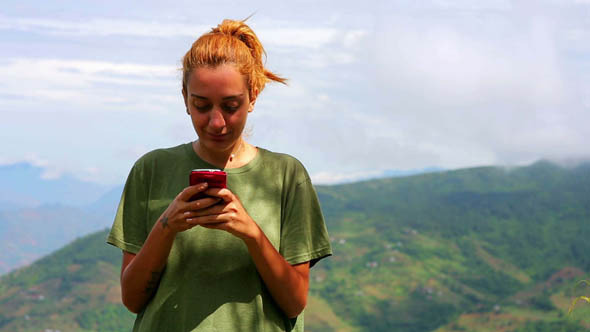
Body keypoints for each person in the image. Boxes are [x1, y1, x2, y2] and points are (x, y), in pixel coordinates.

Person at [107, 18, 332, 332]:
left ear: (252, 97)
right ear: (185, 98)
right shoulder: (151, 170)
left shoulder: (286, 176)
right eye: (201, 105)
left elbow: (295, 301)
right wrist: (167, 225)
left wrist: (251, 233)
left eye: (230, 106)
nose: (216, 122)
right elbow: (132, 299)